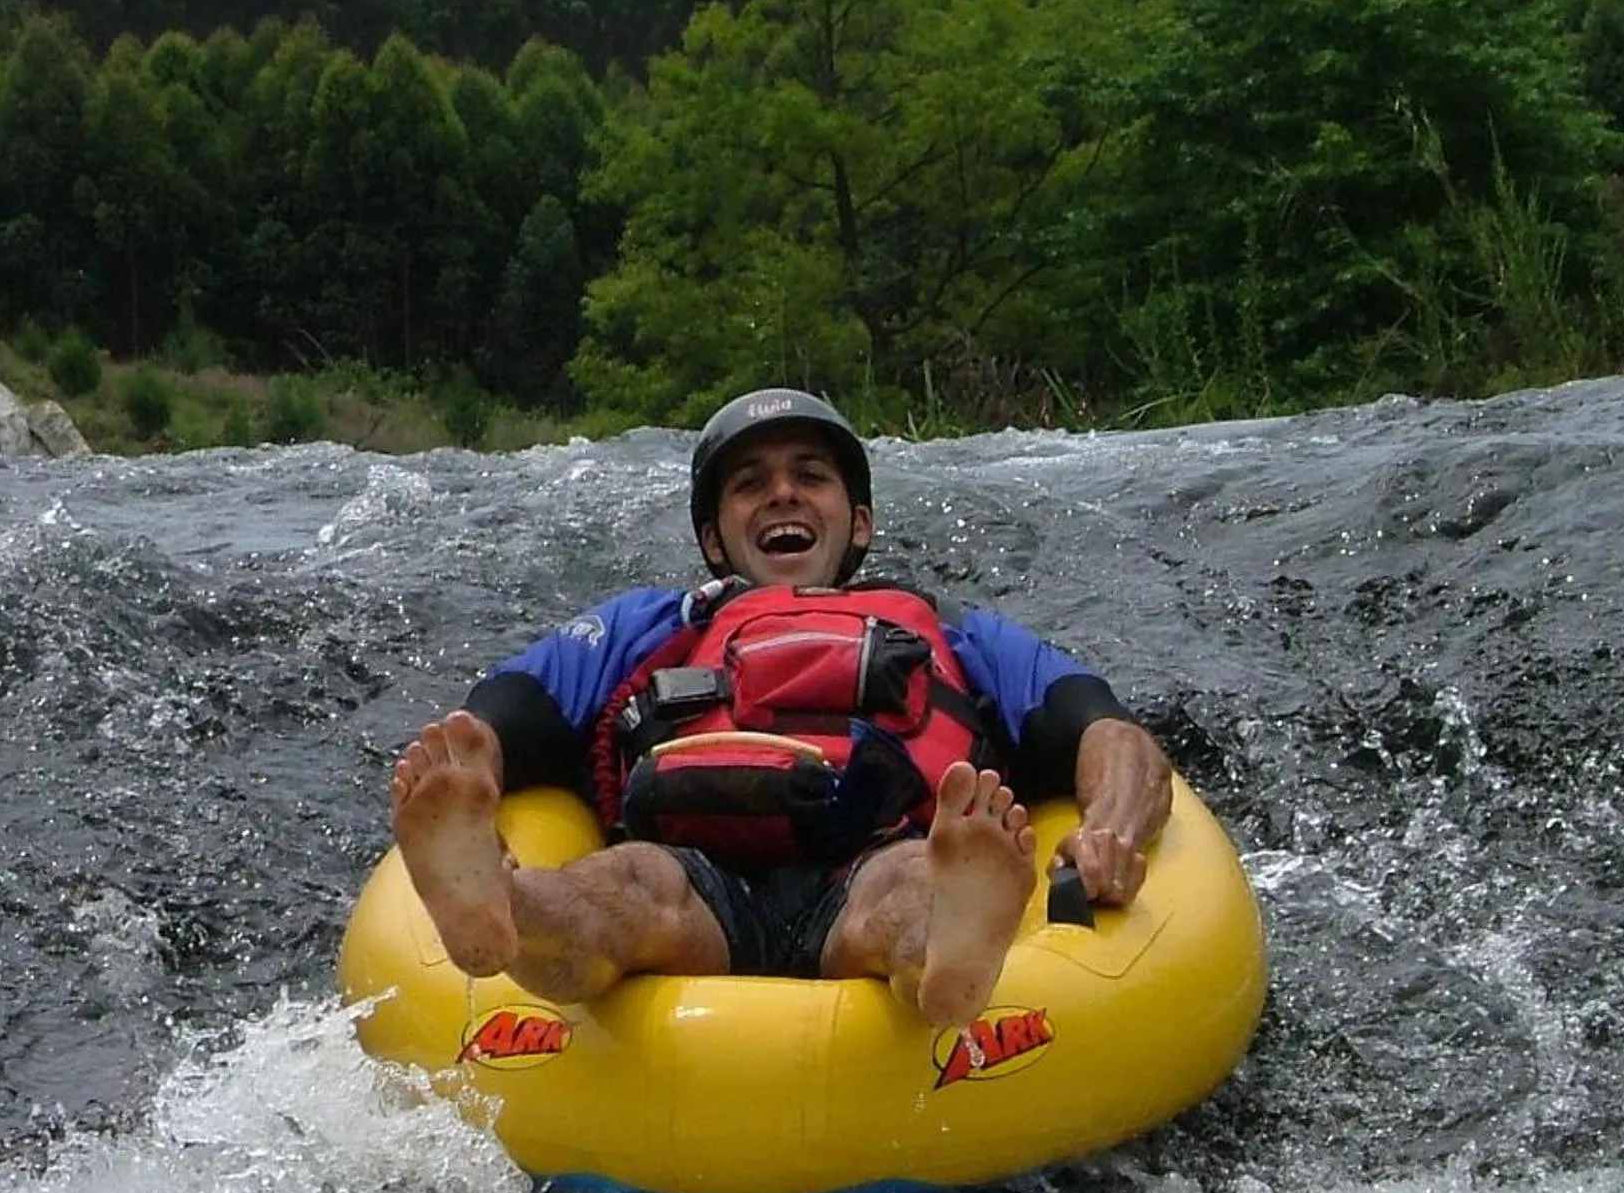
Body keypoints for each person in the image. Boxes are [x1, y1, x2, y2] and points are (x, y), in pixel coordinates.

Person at [389, 387, 1173, 1028]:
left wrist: (1109, 830)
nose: (782, 494)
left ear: (859, 522)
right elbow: (490, 722)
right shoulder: (651, 626)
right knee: (624, 890)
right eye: (750, 484)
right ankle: (498, 908)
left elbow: (1108, 733)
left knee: (907, 887)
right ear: (715, 539)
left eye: (810, 475)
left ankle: (949, 953)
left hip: (872, 856)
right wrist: (476, 803)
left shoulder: (955, 633)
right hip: (696, 872)